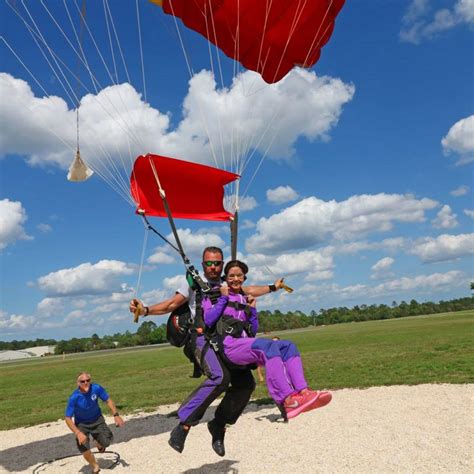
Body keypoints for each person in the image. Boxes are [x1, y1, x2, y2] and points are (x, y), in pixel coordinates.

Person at [129, 246, 284, 457]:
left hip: (223, 340)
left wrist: (273, 287)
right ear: (203, 265)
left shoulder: (225, 283)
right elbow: (171, 304)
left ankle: (218, 425)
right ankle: (184, 425)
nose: (213, 267)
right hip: (201, 339)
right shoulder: (193, 284)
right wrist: (145, 310)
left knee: (245, 383)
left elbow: (249, 290)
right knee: (220, 377)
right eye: (209, 263)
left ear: (222, 264)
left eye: (217, 263)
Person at [203, 260, 332, 420]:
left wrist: (253, 311)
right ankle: (287, 400)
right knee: (267, 346)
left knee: (287, 346)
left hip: (243, 345)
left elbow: (252, 330)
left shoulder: (244, 298)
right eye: (231, 276)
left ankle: (303, 392)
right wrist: (223, 299)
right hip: (228, 346)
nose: (235, 279)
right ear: (225, 278)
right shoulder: (216, 295)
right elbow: (208, 320)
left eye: (239, 275)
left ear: (244, 278)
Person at [65, 372, 124, 474]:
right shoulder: (74, 397)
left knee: (107, 442)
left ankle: (98, 442)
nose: (86, 383)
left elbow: (108, 400)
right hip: (82, 424)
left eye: (88, 380)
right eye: (82, 381)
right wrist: (78, 433)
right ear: (78, 383)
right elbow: (68, 418)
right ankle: (95, 466)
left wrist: (116, 415)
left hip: (97, 419)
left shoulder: (96, 388)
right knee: (83, 447)